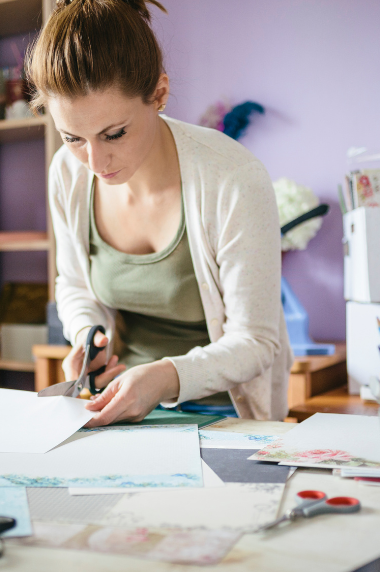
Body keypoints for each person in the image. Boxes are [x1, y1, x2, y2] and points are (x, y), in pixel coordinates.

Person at [26, 0, 293, 427]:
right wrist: (87, 337)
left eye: (114, 133)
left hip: (228, 415)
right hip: (121, 409)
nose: (95, 161)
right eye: (73, 137)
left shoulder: (233, 178)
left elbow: (256, 340)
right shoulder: (67, 172)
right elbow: (74, 284)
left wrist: (166, 377)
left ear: (160, 94)